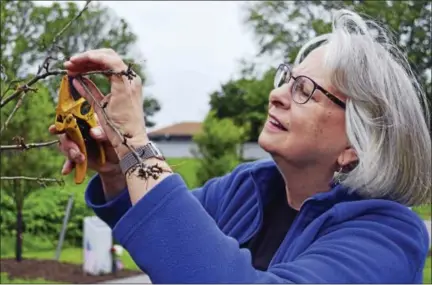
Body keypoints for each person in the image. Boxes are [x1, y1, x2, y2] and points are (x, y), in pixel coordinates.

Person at [49, 9, 431, 284]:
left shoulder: (387, 238)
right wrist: (118, 169)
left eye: (305, 91)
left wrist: (135, 143)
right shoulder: (247, 188)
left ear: (355, 144)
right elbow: (164, 234)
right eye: (287, 78)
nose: (276, 94)